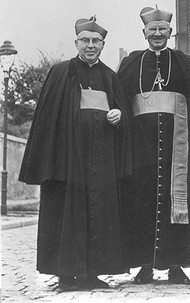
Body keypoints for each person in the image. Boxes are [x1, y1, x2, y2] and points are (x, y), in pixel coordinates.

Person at [19, 16, 132, 291]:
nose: (90, 46)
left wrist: (119, 115)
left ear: (103, 45)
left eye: (96, 41)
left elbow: (121, 112)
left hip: (101, 159)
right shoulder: (60, 72)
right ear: (76, 42)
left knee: (98, 213)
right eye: (85, 41)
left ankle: (93, 273)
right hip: (67, 158)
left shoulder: (110, 76)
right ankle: (65, 274)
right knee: (66, 213)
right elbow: (47, 118)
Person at [118, 6, 190, 285]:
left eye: (162, 29)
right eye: (152, 30)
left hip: (175, 144)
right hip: (140, 144)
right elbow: (120, 100)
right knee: (141, 201)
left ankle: (175, 265)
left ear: (170, 32)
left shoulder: (185, 61)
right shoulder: (132, 62)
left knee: (174, 199)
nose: (157, 34)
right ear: (144, 33)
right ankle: (144, 264)